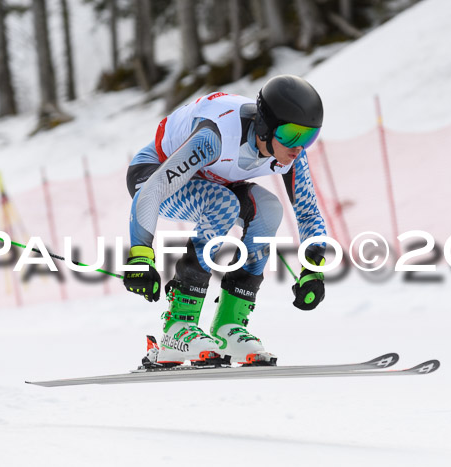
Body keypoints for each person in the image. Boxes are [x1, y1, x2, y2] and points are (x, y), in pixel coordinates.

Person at [123, 74, 327, 368]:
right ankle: (178, 326)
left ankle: (228, 326)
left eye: (309, 136)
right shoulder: (215, 136)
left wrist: (312, 270)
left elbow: (307, 211)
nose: (298, 147)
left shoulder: (291, 153)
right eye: (292, 134)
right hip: (153, 175)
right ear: (266, 127)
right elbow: (153, 191)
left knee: (269, 209)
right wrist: (140, 255)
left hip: (213, 180)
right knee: (223, 204)